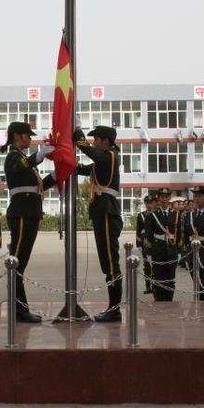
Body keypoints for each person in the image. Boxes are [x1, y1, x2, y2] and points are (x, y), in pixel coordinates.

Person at [0, 121, 56, 323]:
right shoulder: (13, 156)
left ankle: (20, 309)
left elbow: (36, 187)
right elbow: (20, 166)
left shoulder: (23, 158)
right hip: (22, 213)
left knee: (19, 264)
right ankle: (20, 310)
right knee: (17, 264)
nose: (30, 139)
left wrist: (55, 176)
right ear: (17, 136)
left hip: (29, 213)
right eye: (28, 135)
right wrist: (39, 156)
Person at [74, 124, 123, 322]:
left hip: (107, 212)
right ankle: (113, 308)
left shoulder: (110, 156)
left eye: (96, 139)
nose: (93, 143)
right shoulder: (101, 161)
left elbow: (91, 152)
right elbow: (83, 169)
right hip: (101, 212)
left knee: (111, 262)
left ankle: (115, 310)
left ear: (105, 141)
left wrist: (78, 135)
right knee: (107, 262)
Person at [145, 188, 178, 301]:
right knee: (158, 278)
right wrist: (149, 253)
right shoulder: (152, 215)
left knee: (170, 278)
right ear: (158, 199)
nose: (164, 199)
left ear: (169, 198)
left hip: (171, 250)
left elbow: (179, 234)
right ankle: (159, 300)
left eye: (167, 197)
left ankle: (169, 300)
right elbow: (148, 236)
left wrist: (179, 251)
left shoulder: (175, 214)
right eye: (162, 197)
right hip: (157, 250)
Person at [136, 195, 156, 294]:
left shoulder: (156, 215)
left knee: (156, 265)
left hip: (155, 243)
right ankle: (148, 286)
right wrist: (139, 244)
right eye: (147, 203)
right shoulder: (141, 215)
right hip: (145, 244)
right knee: (147, 266)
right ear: (145, 203)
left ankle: (156, 286)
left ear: (154, 203)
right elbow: (138, 230)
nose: (149, 205)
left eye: (151, 203)